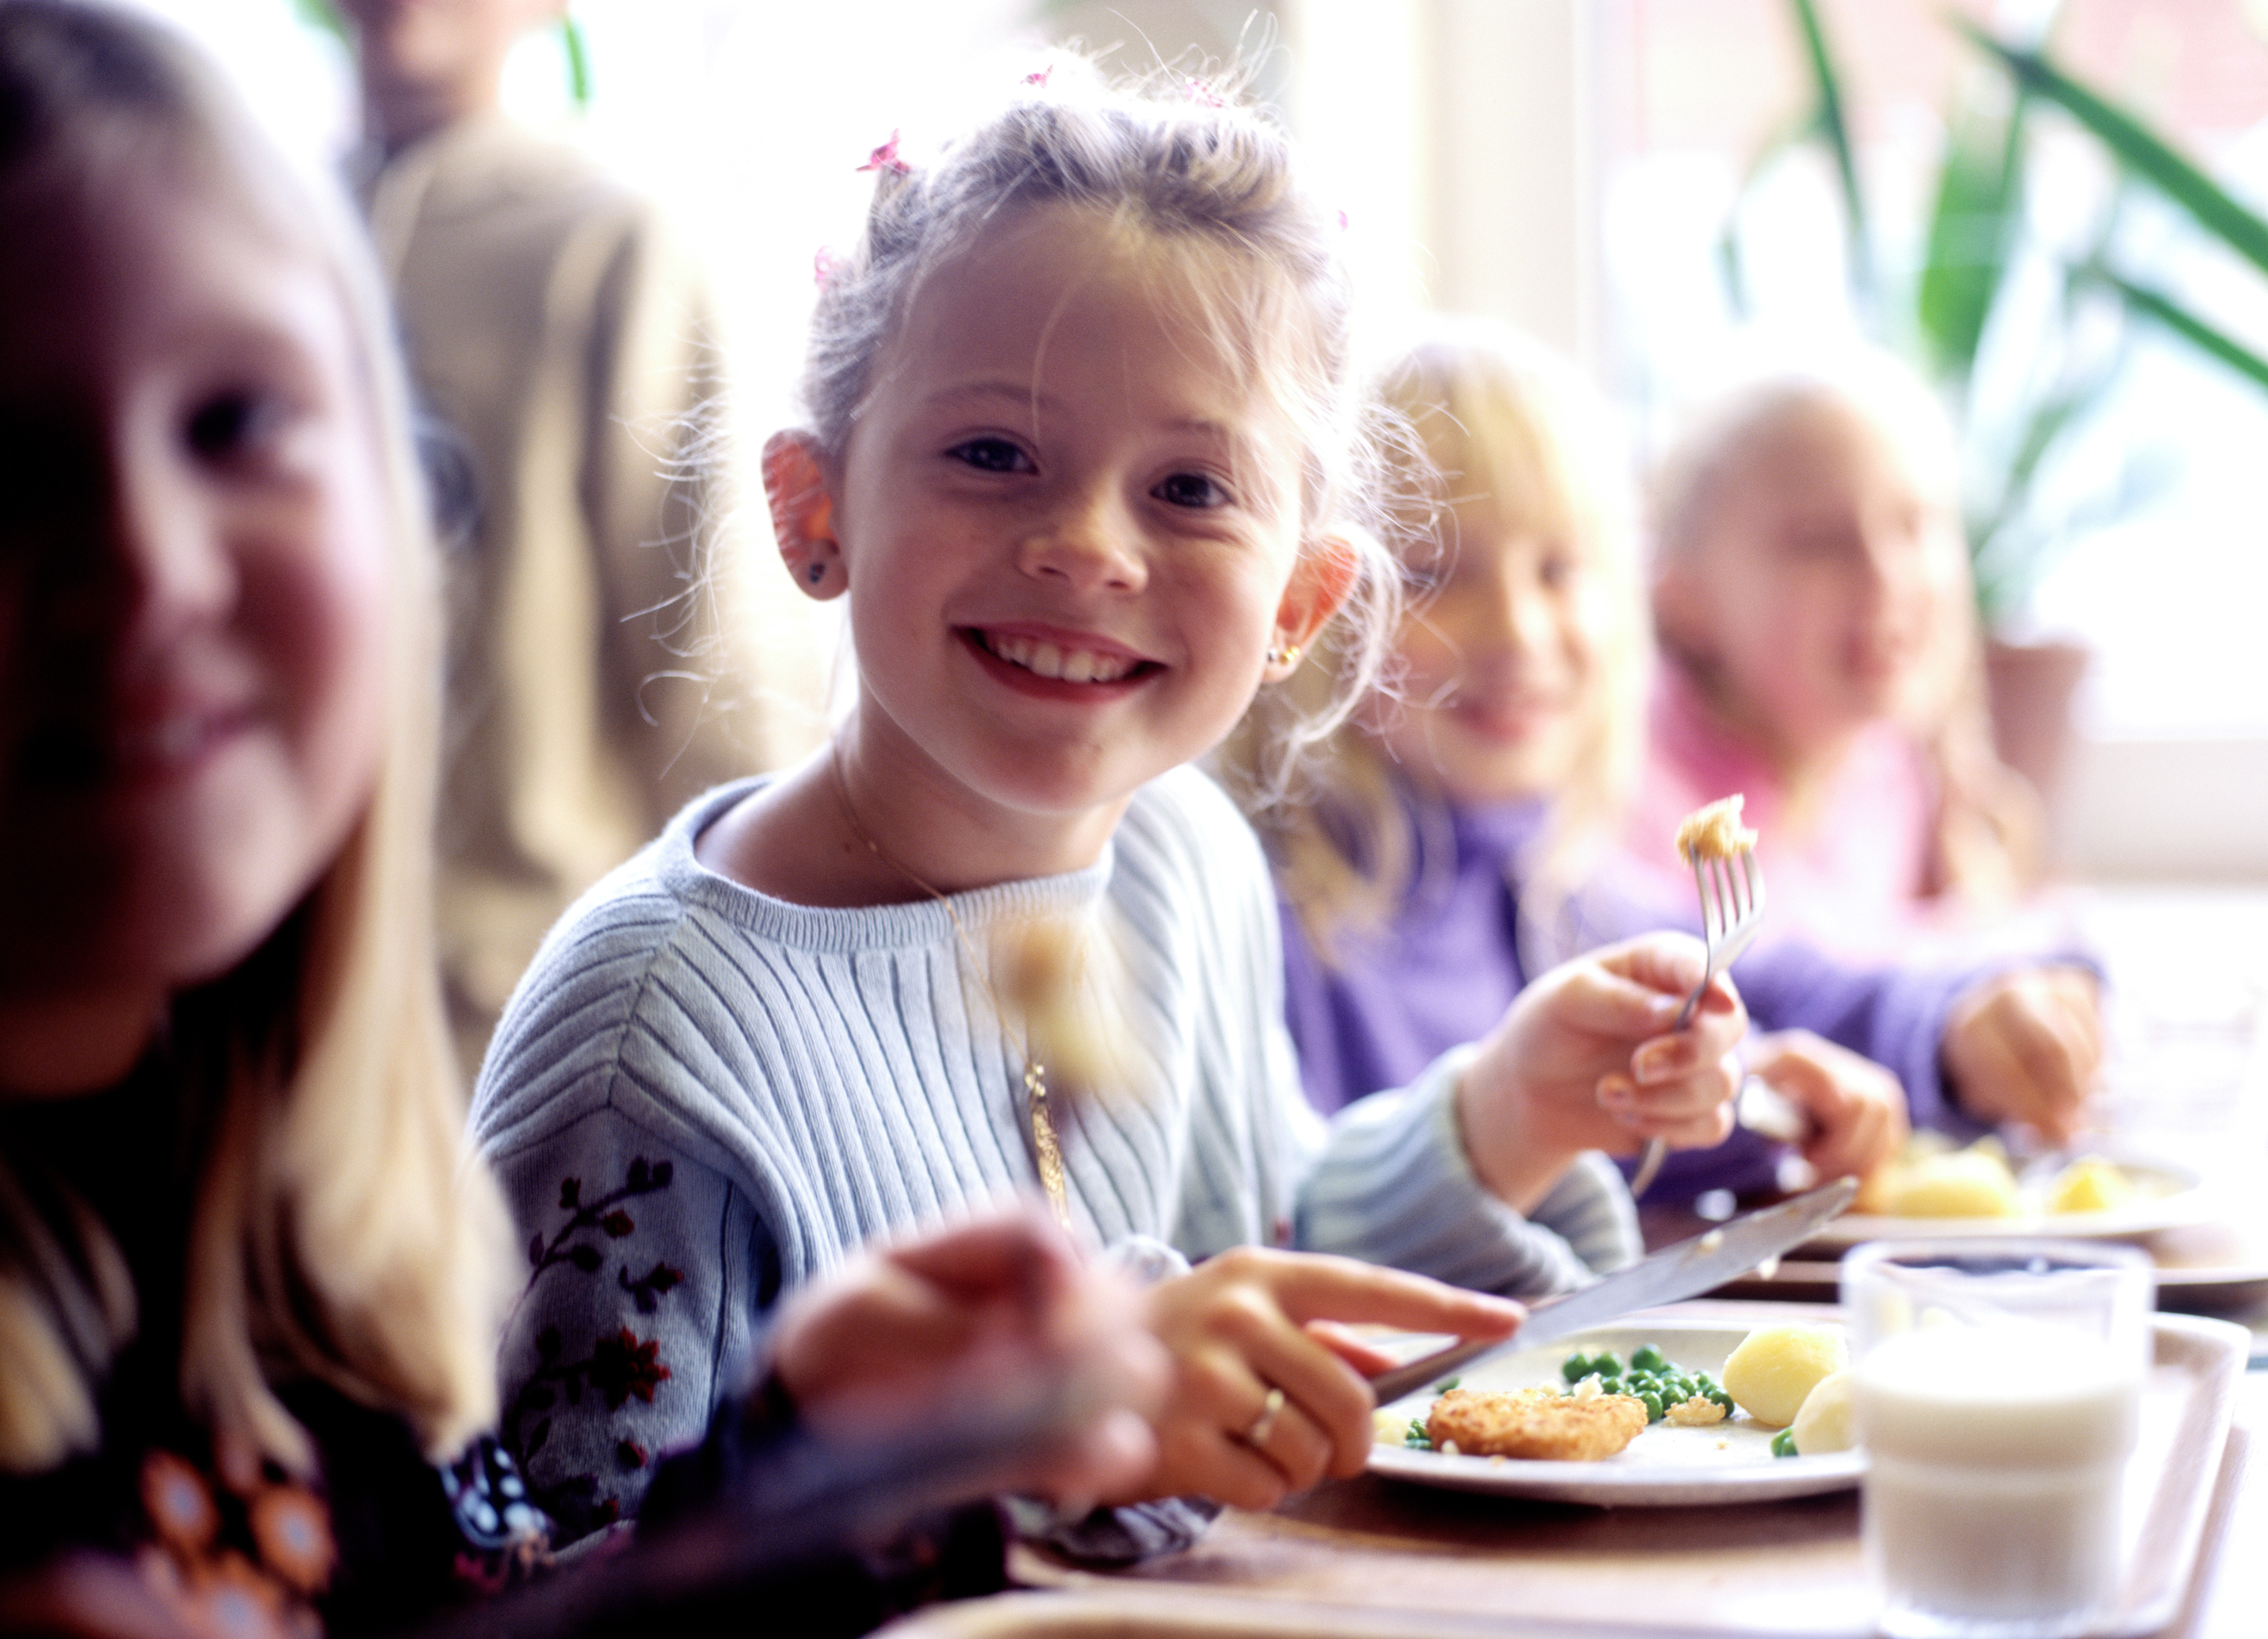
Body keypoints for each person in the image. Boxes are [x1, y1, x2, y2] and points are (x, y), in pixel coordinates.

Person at [0, 12, 1163, 1639]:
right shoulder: (648, 1028)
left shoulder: (295, 1282)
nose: (146, 558)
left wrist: (801, 1465)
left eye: (234, 424)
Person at [472, 64, 1744, 1556]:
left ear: (1299, 601)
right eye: (994, 455)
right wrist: (1023, 1449)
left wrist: (1503, 1116)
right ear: (816, 513)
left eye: (1191, 489)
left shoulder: (1181, 860)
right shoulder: (657, 1038)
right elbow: (566, 1619)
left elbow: (1259, 1248)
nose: (1085, 545)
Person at [1242, 320, 2101, 1206]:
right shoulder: (1264, 919)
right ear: (1313, 603)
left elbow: (1782, 982)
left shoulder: (1553, 887)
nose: (1518, 632)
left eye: (1558, 570)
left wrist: (1949, 1027)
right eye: (1431, 575)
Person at [334, 0, 825, 1077]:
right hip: (274, 1018)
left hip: (527, 1012)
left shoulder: (615, 239)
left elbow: (707, 645)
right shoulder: (260, 228)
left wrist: (775, 989)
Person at [1630, 346, 2040, 960]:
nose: (1886, 577)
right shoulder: (1638, 797)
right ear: (1685, 597)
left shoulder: (1884, 766)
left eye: (1914, 525)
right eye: (1818, 542)